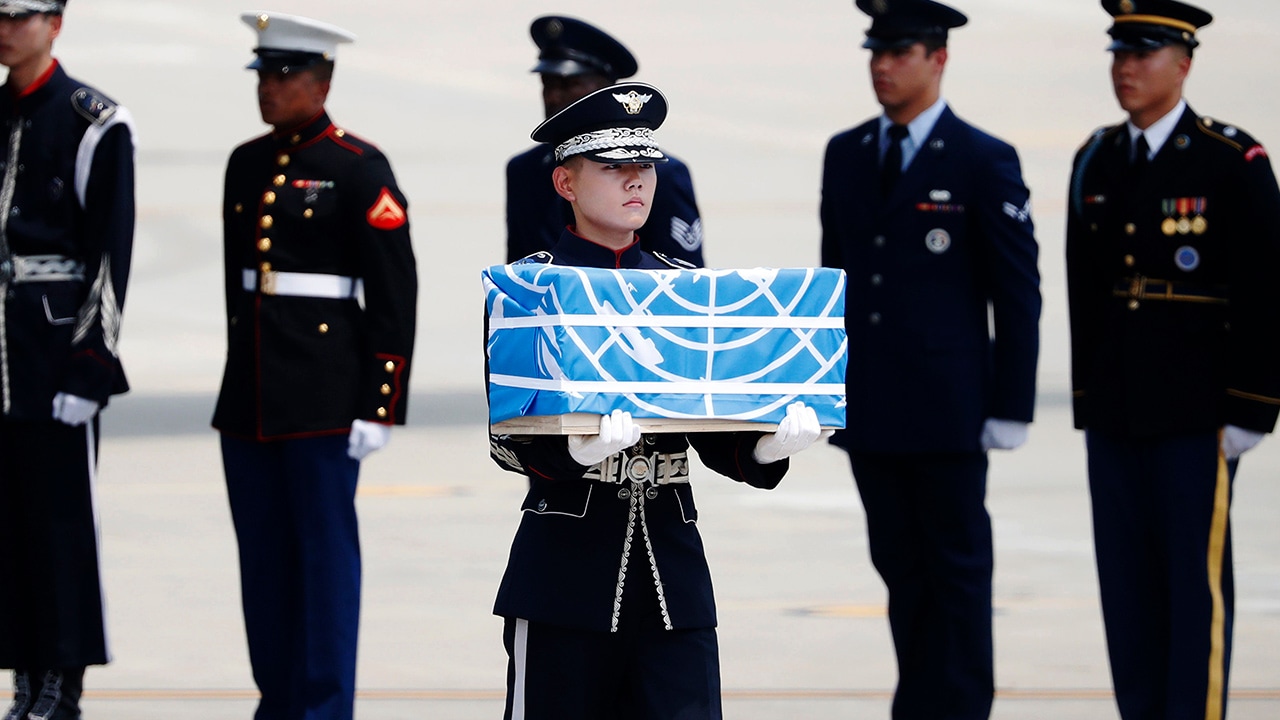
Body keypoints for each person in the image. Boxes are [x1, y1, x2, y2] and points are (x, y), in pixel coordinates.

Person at [489, 82, 826, 720]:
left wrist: (764, 446)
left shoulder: (684, 289)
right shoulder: (528, 289)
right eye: (613, 167)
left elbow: (710, 424)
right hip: (564, 572)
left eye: (644, 165)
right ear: (565, 182)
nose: (636, 180)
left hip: (671, 572)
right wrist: (576, 452)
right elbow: (507, 439)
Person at [818, 1, 1041, 718]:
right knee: (901, 572)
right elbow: (833, 284)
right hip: (872, 409)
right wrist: (824, 391)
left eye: (899, 52)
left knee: (958, 578)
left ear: (938, 58)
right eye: (875, 53)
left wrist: (1011, 405)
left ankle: (964, 707)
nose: (882, 66)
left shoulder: (981, 158)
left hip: (949, 412)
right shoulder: (848, 152)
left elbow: (1017, 291)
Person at [1066, 2, 1280, 718]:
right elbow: (1084, 288)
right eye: (1119, 54)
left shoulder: (1229, 159)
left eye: (1143, 54)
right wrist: (1089, 403)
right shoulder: (1097, 157)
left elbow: (1265, 287)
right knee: (1126, 592)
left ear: (1183, 64)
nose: (1126, 69)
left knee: (1193, 591)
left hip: (1196, 414)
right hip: (1117, 413)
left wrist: (1253, 406)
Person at [213, 12, 417, 720]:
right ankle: (278, 702)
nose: (267, 87)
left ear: (322, 82)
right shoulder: (244, 163)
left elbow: (393, 290)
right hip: (250, 398)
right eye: (262, 74)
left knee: (324, 565)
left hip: (325, 397)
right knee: (263, 563)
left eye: (283, 74)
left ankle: (325, 709)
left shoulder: (357, 167)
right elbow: (237, 288)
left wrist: (380, 402)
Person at [0, 1, 136, 718]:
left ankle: (63, 678)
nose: (5, 30)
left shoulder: (93, 122)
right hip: (3, 350)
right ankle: (23, 674)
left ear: (54, 23)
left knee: (60, 526)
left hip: (55, 352)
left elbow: (110, 253)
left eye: (19, 16)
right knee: (10, 527)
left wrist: (91, 363)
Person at [504, 15, 705, 266]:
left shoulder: (666, 174)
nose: (554, 96)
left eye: (570, 84)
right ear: (562, 182)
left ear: (605, 89)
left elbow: (684, 278)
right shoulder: (524, 169)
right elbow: (519, 269)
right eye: (548, 84)